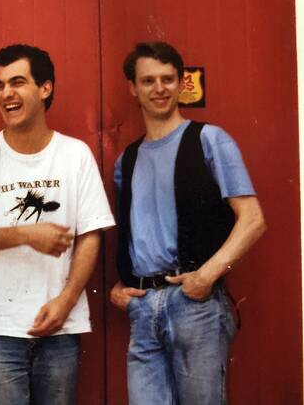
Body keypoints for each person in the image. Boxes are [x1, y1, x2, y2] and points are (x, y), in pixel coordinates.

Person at [0, 44, 115, 405]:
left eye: (17, 82)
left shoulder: (75, 155)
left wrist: (68, 299)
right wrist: (27, 234)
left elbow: (91, 236)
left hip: (60, 327)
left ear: (45, 88)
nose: (6, 93)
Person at [110, 41, 266, 404]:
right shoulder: (127, 160)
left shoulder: (209, 140)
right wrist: (122, 285)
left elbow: (253, 220)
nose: (159, 88)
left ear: (182, 84)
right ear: (133, 88)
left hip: (195, 305)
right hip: (143, 306)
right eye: (148, 81)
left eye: (168, 79)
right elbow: (138, 231)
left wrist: (207, 276)